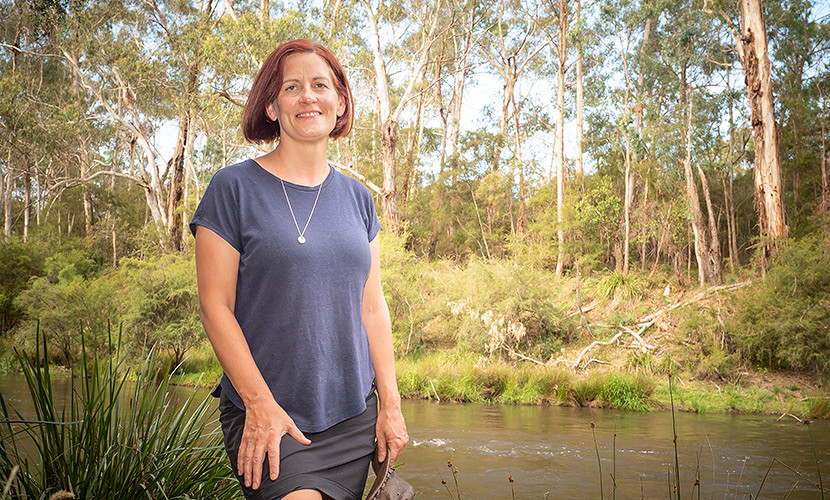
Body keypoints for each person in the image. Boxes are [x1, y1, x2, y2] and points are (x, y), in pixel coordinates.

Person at [190, 39, 408, 500]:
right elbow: (215, 307)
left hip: (353, 415)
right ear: (272, 106)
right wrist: (259, 403)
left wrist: (390, 403)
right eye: (292, 87)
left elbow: (372, 309)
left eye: (320, 85)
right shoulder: (233, 189)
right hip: (269, 411)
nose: (308, 96)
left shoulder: (358, 199)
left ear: (340, 102)